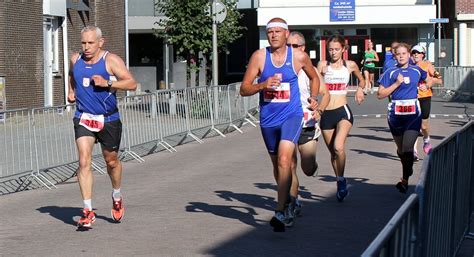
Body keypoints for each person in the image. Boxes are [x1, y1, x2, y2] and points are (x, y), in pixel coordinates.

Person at [240, 18, 321, 232]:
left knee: (286, 158)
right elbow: (244, 89)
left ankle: (280, 210)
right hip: (268, 119)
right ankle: (290, 200)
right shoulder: (259, 57)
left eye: (278, 31)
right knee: (280, 166)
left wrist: (313, 98)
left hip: (291, 116)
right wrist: (263, 85)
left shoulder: (299, 57)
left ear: (287, 34)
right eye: (270, 32)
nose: (274, 35)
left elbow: (315, 78)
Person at [68, 25, 137, 229]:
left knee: (112, 161)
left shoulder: (111, 60)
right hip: (84, 117)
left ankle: (116, 195)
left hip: (108, 119)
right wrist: (72, 91)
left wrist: (107, 83)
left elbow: (132, 84)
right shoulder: (76, 59)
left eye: (90, 43)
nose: (86, 47)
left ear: (101, 42)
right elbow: (73, 75)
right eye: (83, 43)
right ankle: (87, 211)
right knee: (83, 161)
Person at [316, 35, 365, 202]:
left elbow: (362, 80)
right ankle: (339, 180)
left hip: (342, 111)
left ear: (344, 49)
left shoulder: (350, 65)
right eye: (330, 49)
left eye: (337, 49)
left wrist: (360, 89)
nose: (333, 52)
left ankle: (342, 179)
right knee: (332, 153)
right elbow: (315, 85)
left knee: (338, 147)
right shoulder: (322, 65)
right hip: (326, 113)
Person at [377, 43, 431, 194]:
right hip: (395, 114)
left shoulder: (416, 70)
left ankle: (405, 179)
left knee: (408, 148)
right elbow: (380, 94)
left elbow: (429, 79)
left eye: (403, 53)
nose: (401, 56)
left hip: (413, 114)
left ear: (409, 55)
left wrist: (426, 86)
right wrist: (396, 83)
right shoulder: (390, 72)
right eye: (398, 54)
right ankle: (406, 172)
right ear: (394, 56)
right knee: (401, 150)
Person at [287, 31, 330, 216]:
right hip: (287, 122)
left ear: (303, 48)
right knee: (288, 165)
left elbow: (325, 94)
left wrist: (319, 109)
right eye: (287, 46)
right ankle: (293, 201)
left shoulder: (308, 70)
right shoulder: (281, 67)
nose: (289, 50)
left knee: (307, 167)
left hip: (307, 122)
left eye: (294, 46)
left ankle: (313, 166)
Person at [410, 45, 443, 159]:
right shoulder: (408, 66)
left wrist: (428, 84)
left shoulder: (427, 65)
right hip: (412, 98)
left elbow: (439, 79)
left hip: (425, 97)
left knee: (423, 126)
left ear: (423, 54)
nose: (415, 54)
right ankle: (413, 151)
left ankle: (426, 139)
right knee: (413, 124)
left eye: (418, 52)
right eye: (413, 52)